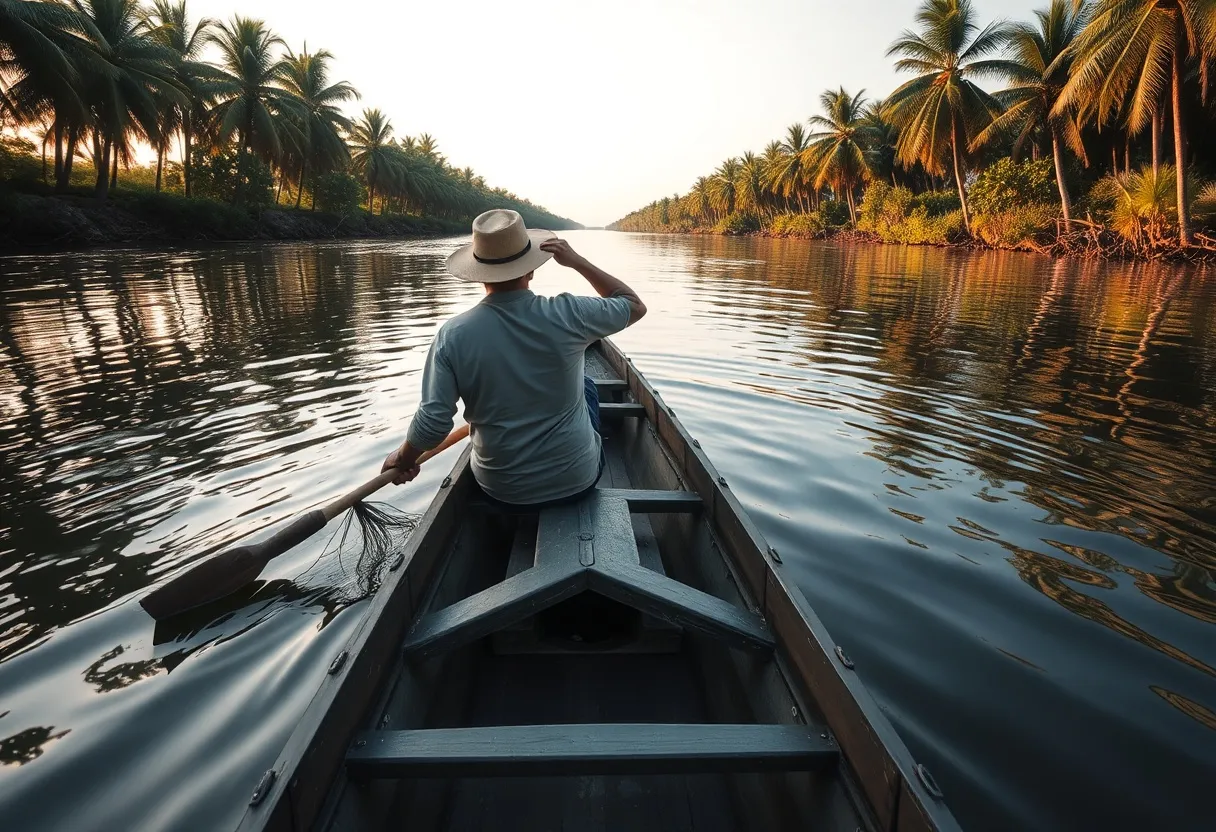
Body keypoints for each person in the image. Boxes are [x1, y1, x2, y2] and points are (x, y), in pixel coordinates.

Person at [382, 208, 646, 509]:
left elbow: (432, 424)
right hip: (576, 481)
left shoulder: (452, 335)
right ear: (531, 269)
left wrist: (403, 458)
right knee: (586, 385)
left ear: (478, 273)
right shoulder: (570, 314)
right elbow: (633, 305)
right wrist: (577, 262)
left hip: (499, 488)